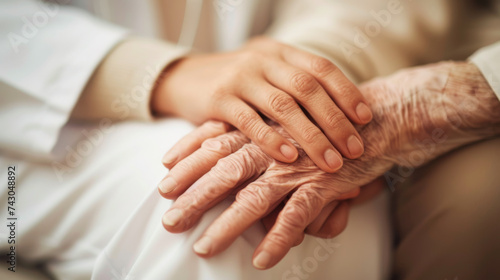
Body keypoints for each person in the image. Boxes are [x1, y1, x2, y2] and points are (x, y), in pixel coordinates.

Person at [0, 0, 499, 279]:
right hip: (29, 118)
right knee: (207, 205)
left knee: (283, 205)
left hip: (279, 66)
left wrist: (303, 89)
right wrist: (159, 74)